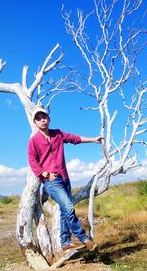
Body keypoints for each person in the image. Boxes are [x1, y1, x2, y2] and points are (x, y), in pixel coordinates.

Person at [28, 107, 103, 251]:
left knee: (64, 210)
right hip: (52, 181)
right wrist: (45, 174)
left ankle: (65, 241)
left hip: (64, 177)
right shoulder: (34, 141)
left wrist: (94, 139)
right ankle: (83, 238)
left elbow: (75, 139)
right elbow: (33, 161)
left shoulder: (58, 134)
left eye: (44, 116)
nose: (42, 120)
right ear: (35, 122)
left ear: (49, 119)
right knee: (68, 207)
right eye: (38, 118)